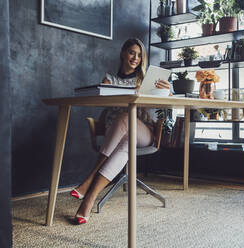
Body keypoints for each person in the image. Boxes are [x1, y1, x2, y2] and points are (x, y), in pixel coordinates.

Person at [70, 38, 170, 224]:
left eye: (140, 55)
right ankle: (90, 199)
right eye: (132, 52)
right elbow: (105, 101)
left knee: (126, 118)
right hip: (117, 134)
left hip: (144, 132)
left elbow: (164, 104)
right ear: (123, 53)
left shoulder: (146, 80)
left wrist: (167, 91)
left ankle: (89, 179)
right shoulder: (109, 79)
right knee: (125, 141)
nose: (136, 58)